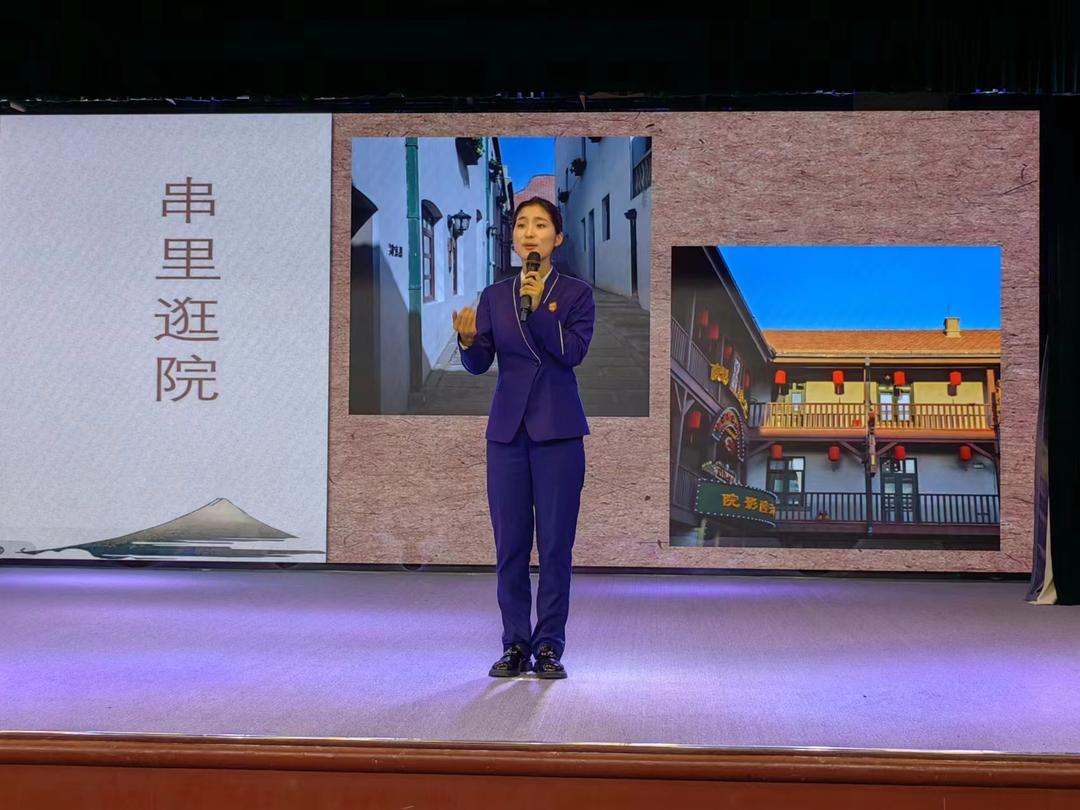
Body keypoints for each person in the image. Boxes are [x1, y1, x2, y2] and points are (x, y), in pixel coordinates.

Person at [451, 197, 595, 680]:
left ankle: (549, 646)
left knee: (555, 547)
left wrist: (538, 310)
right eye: (521, 225)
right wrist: (468, 342)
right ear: (512, 236)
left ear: (558, 237)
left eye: (540, 225)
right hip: (507, 434)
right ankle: (514, 643)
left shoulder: (576, 294)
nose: (529, 233)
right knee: (509, 546)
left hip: (559, 433)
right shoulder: (494, 296)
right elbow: (479, 364)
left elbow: (572, 353)